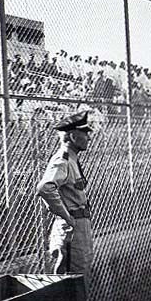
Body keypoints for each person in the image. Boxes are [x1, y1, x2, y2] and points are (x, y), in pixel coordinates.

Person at [36, 108, 101, 278]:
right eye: (85, 133)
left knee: (80, 277)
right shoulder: (62, 159)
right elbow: (45, 188)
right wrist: (66, 216)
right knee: (73, 282)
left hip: (78, 225)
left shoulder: (72, 158)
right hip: (72, 228)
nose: (89, 138)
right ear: (73, 137)